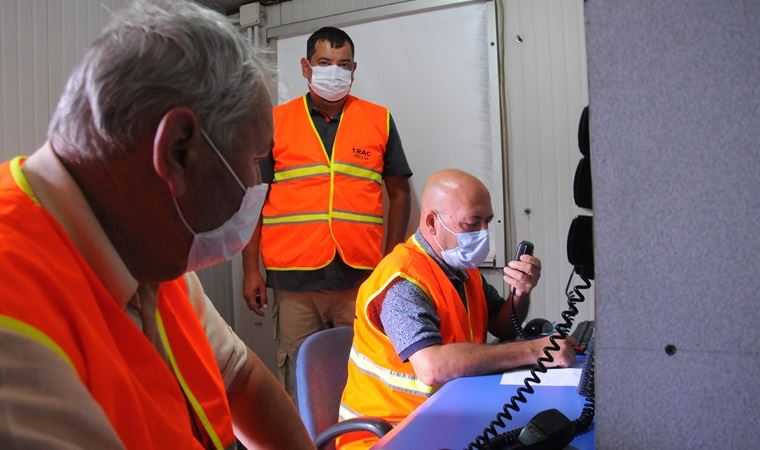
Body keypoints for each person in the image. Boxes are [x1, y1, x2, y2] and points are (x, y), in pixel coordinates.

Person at [0, 1, 314, 449]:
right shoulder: (14, 335)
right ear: (178, 151)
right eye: (255, 161)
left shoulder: (143, 249)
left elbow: (240, 378)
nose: (257, 186)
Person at [336, 169, 577, 450]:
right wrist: (538, 350)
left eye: (487, 222)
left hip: (446, 416)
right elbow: (433, 367)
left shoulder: (462, 269)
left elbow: (502, 325)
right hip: (389, 434)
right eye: (472, 223)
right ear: (432, 222)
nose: (483, 234)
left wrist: (520, 293)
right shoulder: (402, 281)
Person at [241, 26, 412, 396]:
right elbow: (253, 198)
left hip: (359, 279)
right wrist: (249, 269)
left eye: (343, 64)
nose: (334, 72)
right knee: (301, 382)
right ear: (306, 68)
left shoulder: (378, 120)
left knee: (361, 378)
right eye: (324, 63)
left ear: (354, 69)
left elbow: (399, 192)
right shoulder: (276, 121)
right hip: (293, 280)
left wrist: (391, 261)